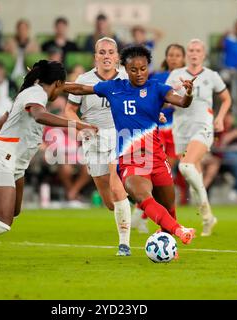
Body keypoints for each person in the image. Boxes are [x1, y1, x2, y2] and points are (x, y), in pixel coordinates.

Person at [0, 60, 97, 270]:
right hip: (2, 156)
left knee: (13, 211)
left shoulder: (30, 93)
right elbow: (39, 116)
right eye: (61, 87)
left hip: (16, 162)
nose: (62, 91)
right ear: (56, 83)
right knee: (2, 221)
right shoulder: (36, 95)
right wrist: (77, 124)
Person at [65, 45, 197, 246]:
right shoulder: (114, 87)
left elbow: (183, 103)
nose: (139, 73)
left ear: (148, 67)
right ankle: (180, 231)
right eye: (133, 70)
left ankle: (170, 247)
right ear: (125, 69)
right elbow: (80, 88)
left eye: (143, 68)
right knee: (143, 196)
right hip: (130, 160)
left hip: (157, 159)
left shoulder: (157, 88)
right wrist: (52, 84)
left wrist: (189, 93)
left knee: (169, 206)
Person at [65, 37, 132, 256]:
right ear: (95, 57)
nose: (106, 56)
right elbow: (68, 110)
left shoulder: (127, 78)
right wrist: (80, 126)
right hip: (93, 140)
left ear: (117, 57)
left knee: (116, 186)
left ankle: (124, 244)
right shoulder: (83, 80)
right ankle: (134, 204)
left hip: (120, 136)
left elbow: (141, 103)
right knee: (109, 201)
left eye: (110, 52)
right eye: (102, 52)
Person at [166, 39, 232, 236]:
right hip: (181, 130)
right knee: (194, 179)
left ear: (204, 54)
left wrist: (220, 118)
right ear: (187, 54)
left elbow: (227, 98)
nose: (194, 53)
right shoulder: (176, 75)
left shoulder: (212, 76)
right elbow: (165, 99)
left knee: (186, 166)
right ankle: (207, 218)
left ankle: (207, 216)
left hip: (203, 127)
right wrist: (163, 109)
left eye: (198, 50)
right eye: (191, 50)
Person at [132, 43, 187, 233]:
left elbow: (189, 104)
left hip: (176, 130)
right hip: (157, 130)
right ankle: (143, 213)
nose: (173, 58)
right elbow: (147, 101)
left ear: (183, 58)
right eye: (170, 55)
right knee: (159, 174)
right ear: (166, 57)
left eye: (177, 55)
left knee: (168, 176)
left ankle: (147, 213)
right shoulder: (158, 78)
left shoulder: (186, 78)